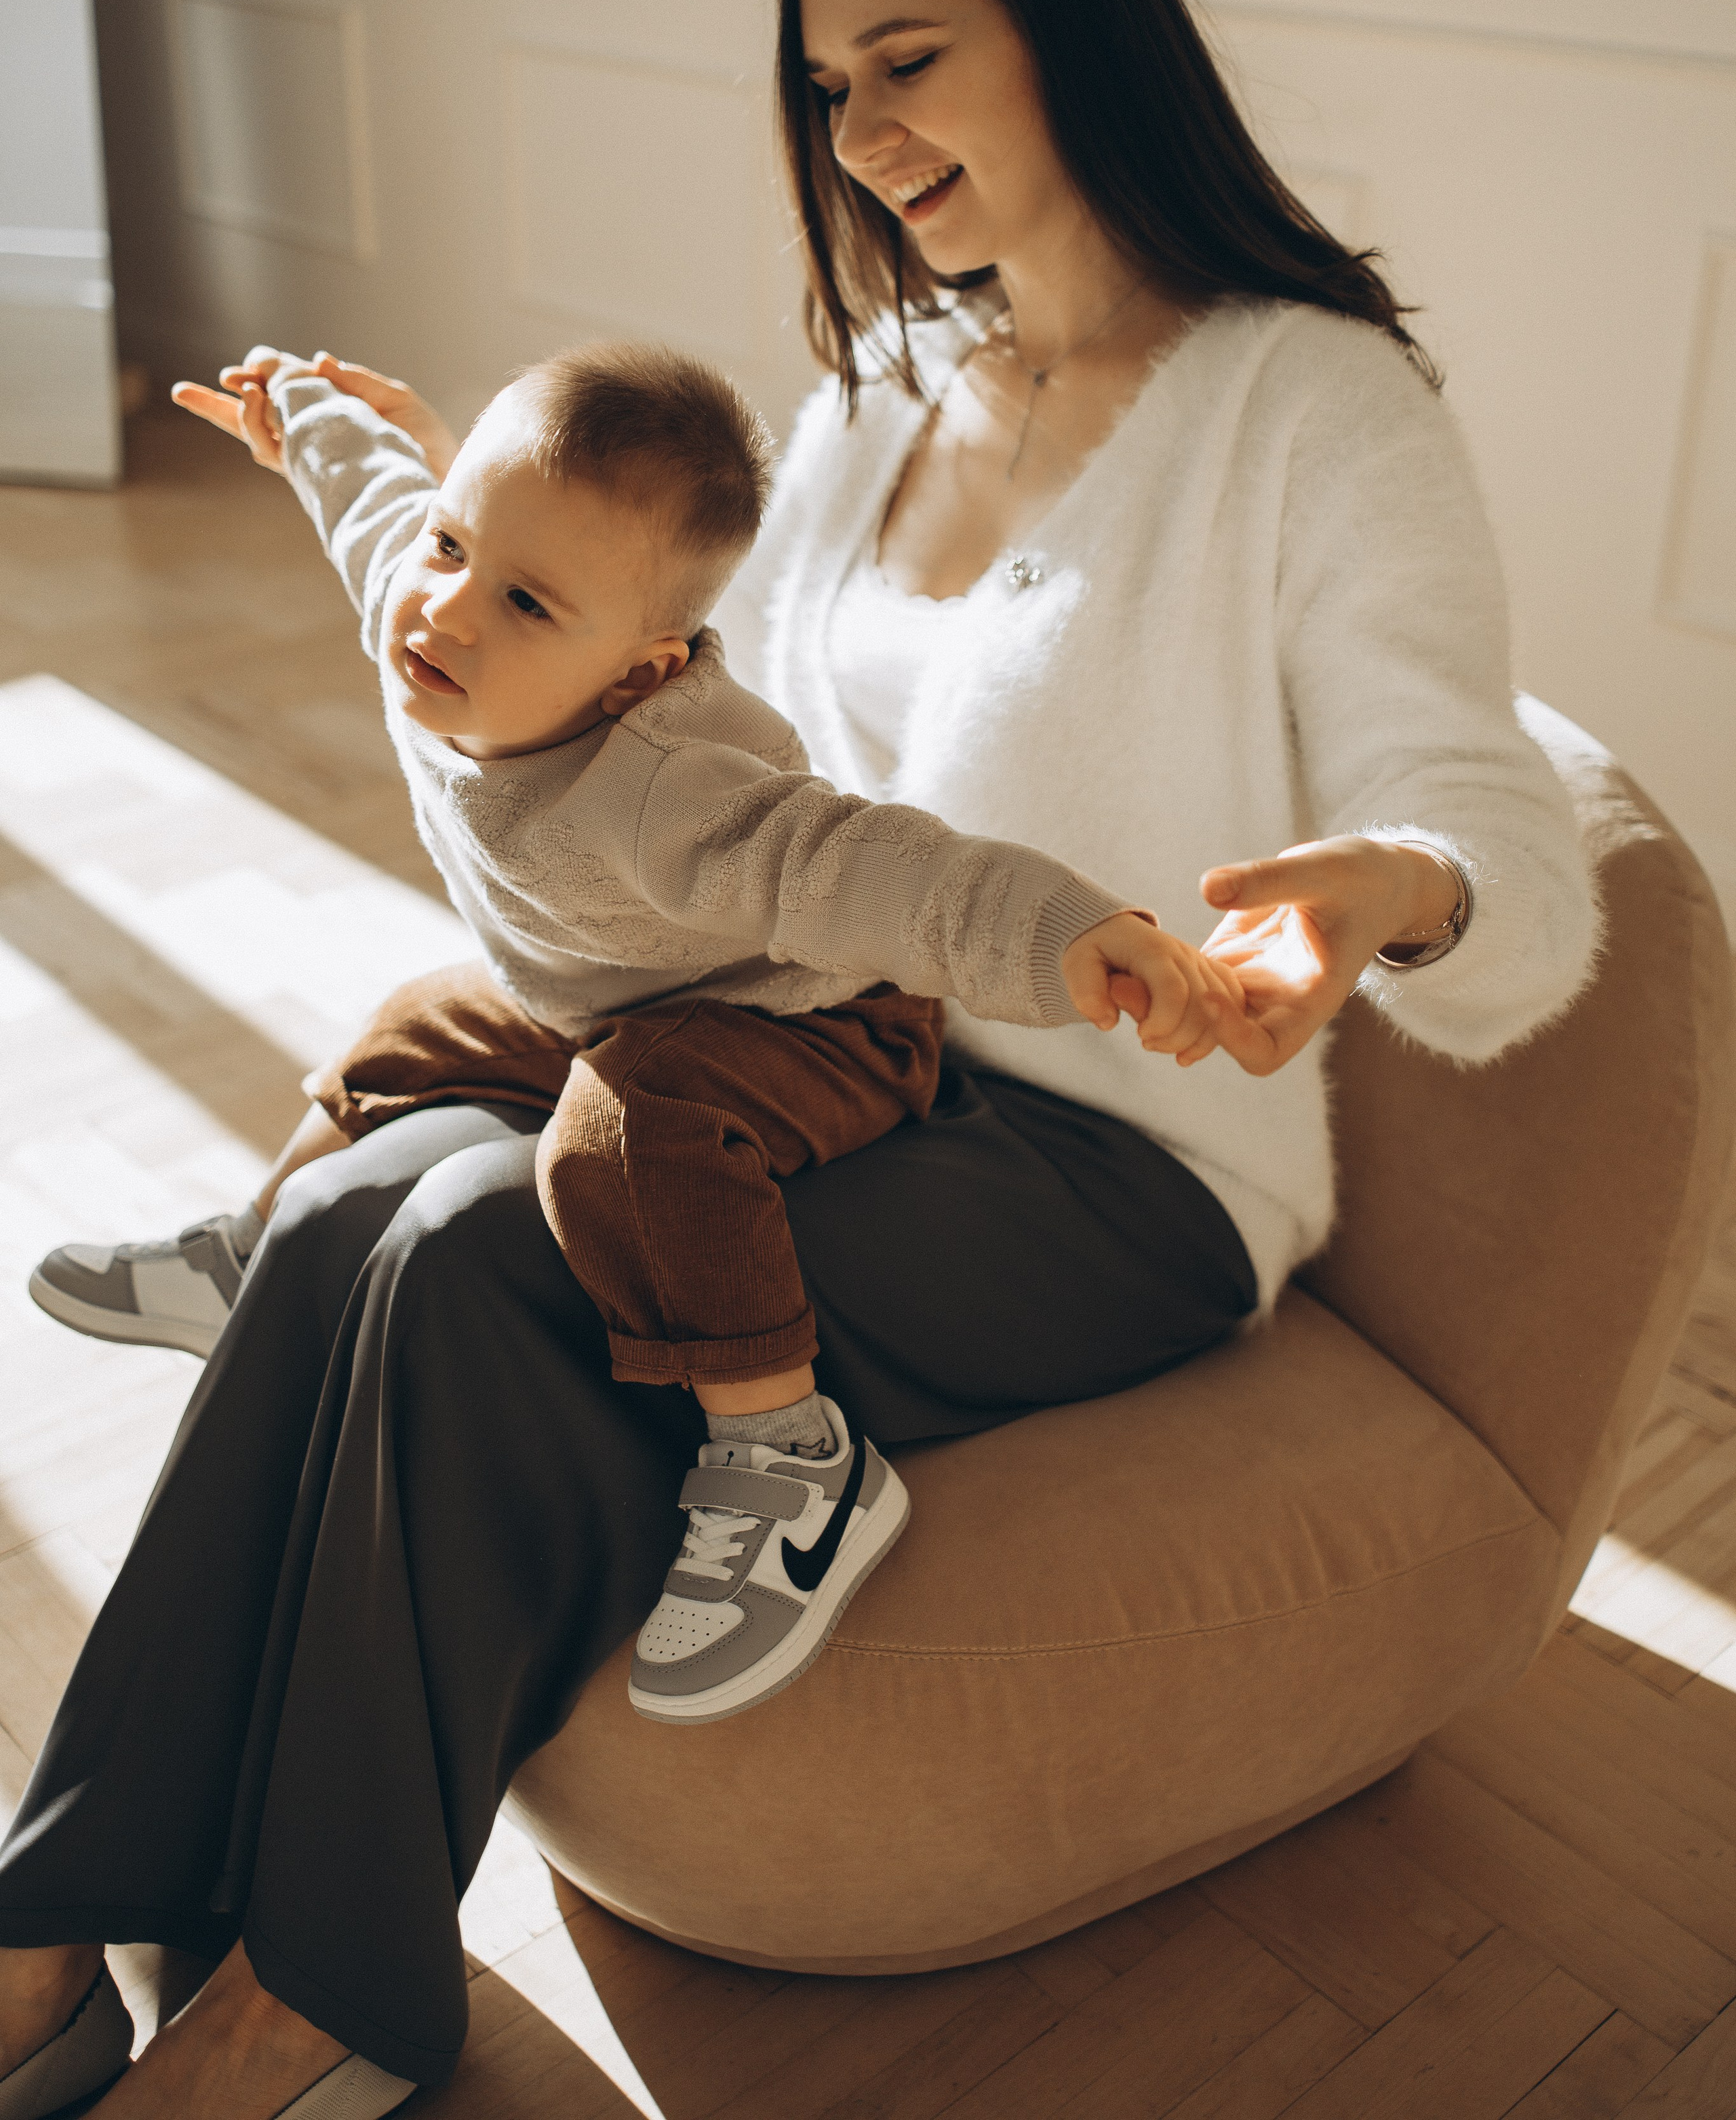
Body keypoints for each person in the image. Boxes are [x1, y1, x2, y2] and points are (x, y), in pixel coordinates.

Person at [0, 0, 1598, 2120]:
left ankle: (322, 1997)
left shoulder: (1313, 407)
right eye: (827, 83)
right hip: (827, 1055)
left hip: (1117, 1171)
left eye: (908, 59)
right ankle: (56, 1916)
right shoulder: (875, 398)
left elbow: (1509, 840)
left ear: (1071, 30)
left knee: (471, 1251)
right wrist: (473, 528)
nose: (859, 130)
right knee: (349, 1202)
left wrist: (1383, 890)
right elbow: (703, 744)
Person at [40, 330, 1246, 1735]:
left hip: (813, 1025)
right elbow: (375, 497)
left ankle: (790, 1459)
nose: (447, 616)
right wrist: (302, 414)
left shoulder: (669, 790)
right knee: (410, 1021)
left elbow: (878, 870)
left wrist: (1067, 933)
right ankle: (255, 1254)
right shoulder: (421, 593)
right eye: (450, 551)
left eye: (528, 605)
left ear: (636, 671)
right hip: (606, 984)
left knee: (624, 1136)